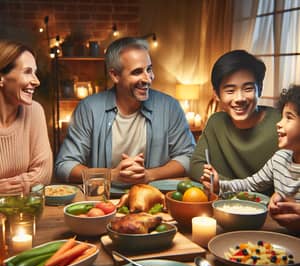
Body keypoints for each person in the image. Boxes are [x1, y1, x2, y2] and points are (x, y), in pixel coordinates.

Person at [55, 37, 195, 185]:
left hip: (153, 199)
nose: (148, 79)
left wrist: (148, 175)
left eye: (149, 69)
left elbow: (188, 157)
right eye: (137, 72)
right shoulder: (89, 109)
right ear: (115, 75)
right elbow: (65, 166)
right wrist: (111, 175)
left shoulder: (169, 107)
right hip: (104, 201)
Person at [202, 86, 300, 231]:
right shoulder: (280, 158)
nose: (279, 124)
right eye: (282, 117)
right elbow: (249, 185)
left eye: (289, 118)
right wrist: (218, 186)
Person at [189, 50, 281, 195]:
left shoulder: (281, 123)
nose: (240, 98)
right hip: (224, 207)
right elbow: (195, 165)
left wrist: (225, 186)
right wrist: (225, 185)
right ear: (217, 94)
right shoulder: (215, 123)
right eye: (230, 91)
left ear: (260, 89)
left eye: (248, 88)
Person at [0, 40, 53, 194]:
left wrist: (11, 188)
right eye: (27, 71)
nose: (36, 81)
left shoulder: (34, 111)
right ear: (2, 78)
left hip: (23, 210)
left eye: (35, 72)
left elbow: (43, 174)